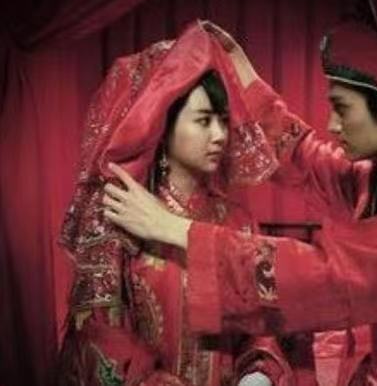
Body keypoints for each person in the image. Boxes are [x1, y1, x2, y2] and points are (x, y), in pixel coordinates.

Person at [102, 0, 377, 385]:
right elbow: (303, 156)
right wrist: (245, 75)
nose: (331, 124)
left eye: (341, 108)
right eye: (202, 120)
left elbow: (328, 277)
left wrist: (175, 229)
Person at [57, 21, 313, 386]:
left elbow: (261, 323)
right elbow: (99, 333)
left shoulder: (237, 220)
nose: (219, 135)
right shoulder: (117, 211)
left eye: (223, 121)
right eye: (204, 121)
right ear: (163, 126)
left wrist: (258, 372)